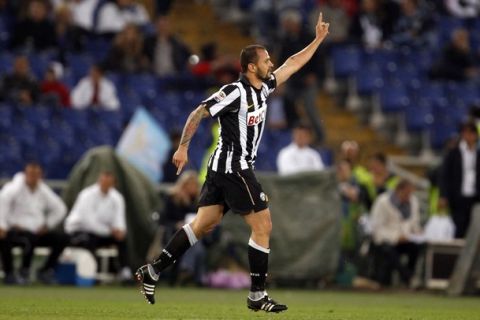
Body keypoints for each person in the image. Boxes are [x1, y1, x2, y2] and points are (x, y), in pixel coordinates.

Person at [135, 12, 330, 313]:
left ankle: (153, 270)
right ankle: (257, 295)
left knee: (203, 224)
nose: (271, 64)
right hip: (233, 167)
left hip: (222, 169)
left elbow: (292, 63)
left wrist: (317, 39)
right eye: (266, 61)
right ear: (252, 67)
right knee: (263, 226)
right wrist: (183, 148)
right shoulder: (234, 91)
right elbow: (198, 113)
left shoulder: (264, 88)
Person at [0, 163, 68, 285]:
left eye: (36, 174)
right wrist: (2, 225)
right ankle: (17, 273)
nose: (33, 177)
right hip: (15, 230)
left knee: (62, 238)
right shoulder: (13, 188)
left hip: (36, 232)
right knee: (28, 239)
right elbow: (2, 204)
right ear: (25, 174)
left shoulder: (43, 190)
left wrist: (47, 225)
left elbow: (60, 208)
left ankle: (45, 270)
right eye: (31, 174)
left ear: (41, 175)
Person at [65, 171, 131, 281]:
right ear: (99, 181)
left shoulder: (117, 198)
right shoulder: (86, 195)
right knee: (90, 239)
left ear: (113, 184)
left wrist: (120, 230)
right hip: (78, 231)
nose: (106, 185)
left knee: (122, 240)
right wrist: (111, 231)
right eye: (104, 182)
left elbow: (119, 219)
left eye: (109, 183)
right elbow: (89, 222)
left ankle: (124, 271)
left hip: (103, 233)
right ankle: (92, 273)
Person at [370, 179, 423, 286]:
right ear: (398, 191)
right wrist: (396, 237)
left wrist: (418, 232)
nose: (408, 197)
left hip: (405, 239)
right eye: (406, 194)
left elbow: (414, 222)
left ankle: (409, 277)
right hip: (385, 240)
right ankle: (408, 278)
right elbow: (376, 228)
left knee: (416, 248)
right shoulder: (382, 201)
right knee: (389, 252)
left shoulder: (413, 201)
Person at [439, 121, 480, 238]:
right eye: (465, 133)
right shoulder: (453, 153)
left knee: (473, 229)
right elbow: (445, 175)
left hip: (475, 198)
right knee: (458, 228)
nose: (468, 136)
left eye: (471, 133)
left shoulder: (478, 154)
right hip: (457, 197)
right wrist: (443, 195)